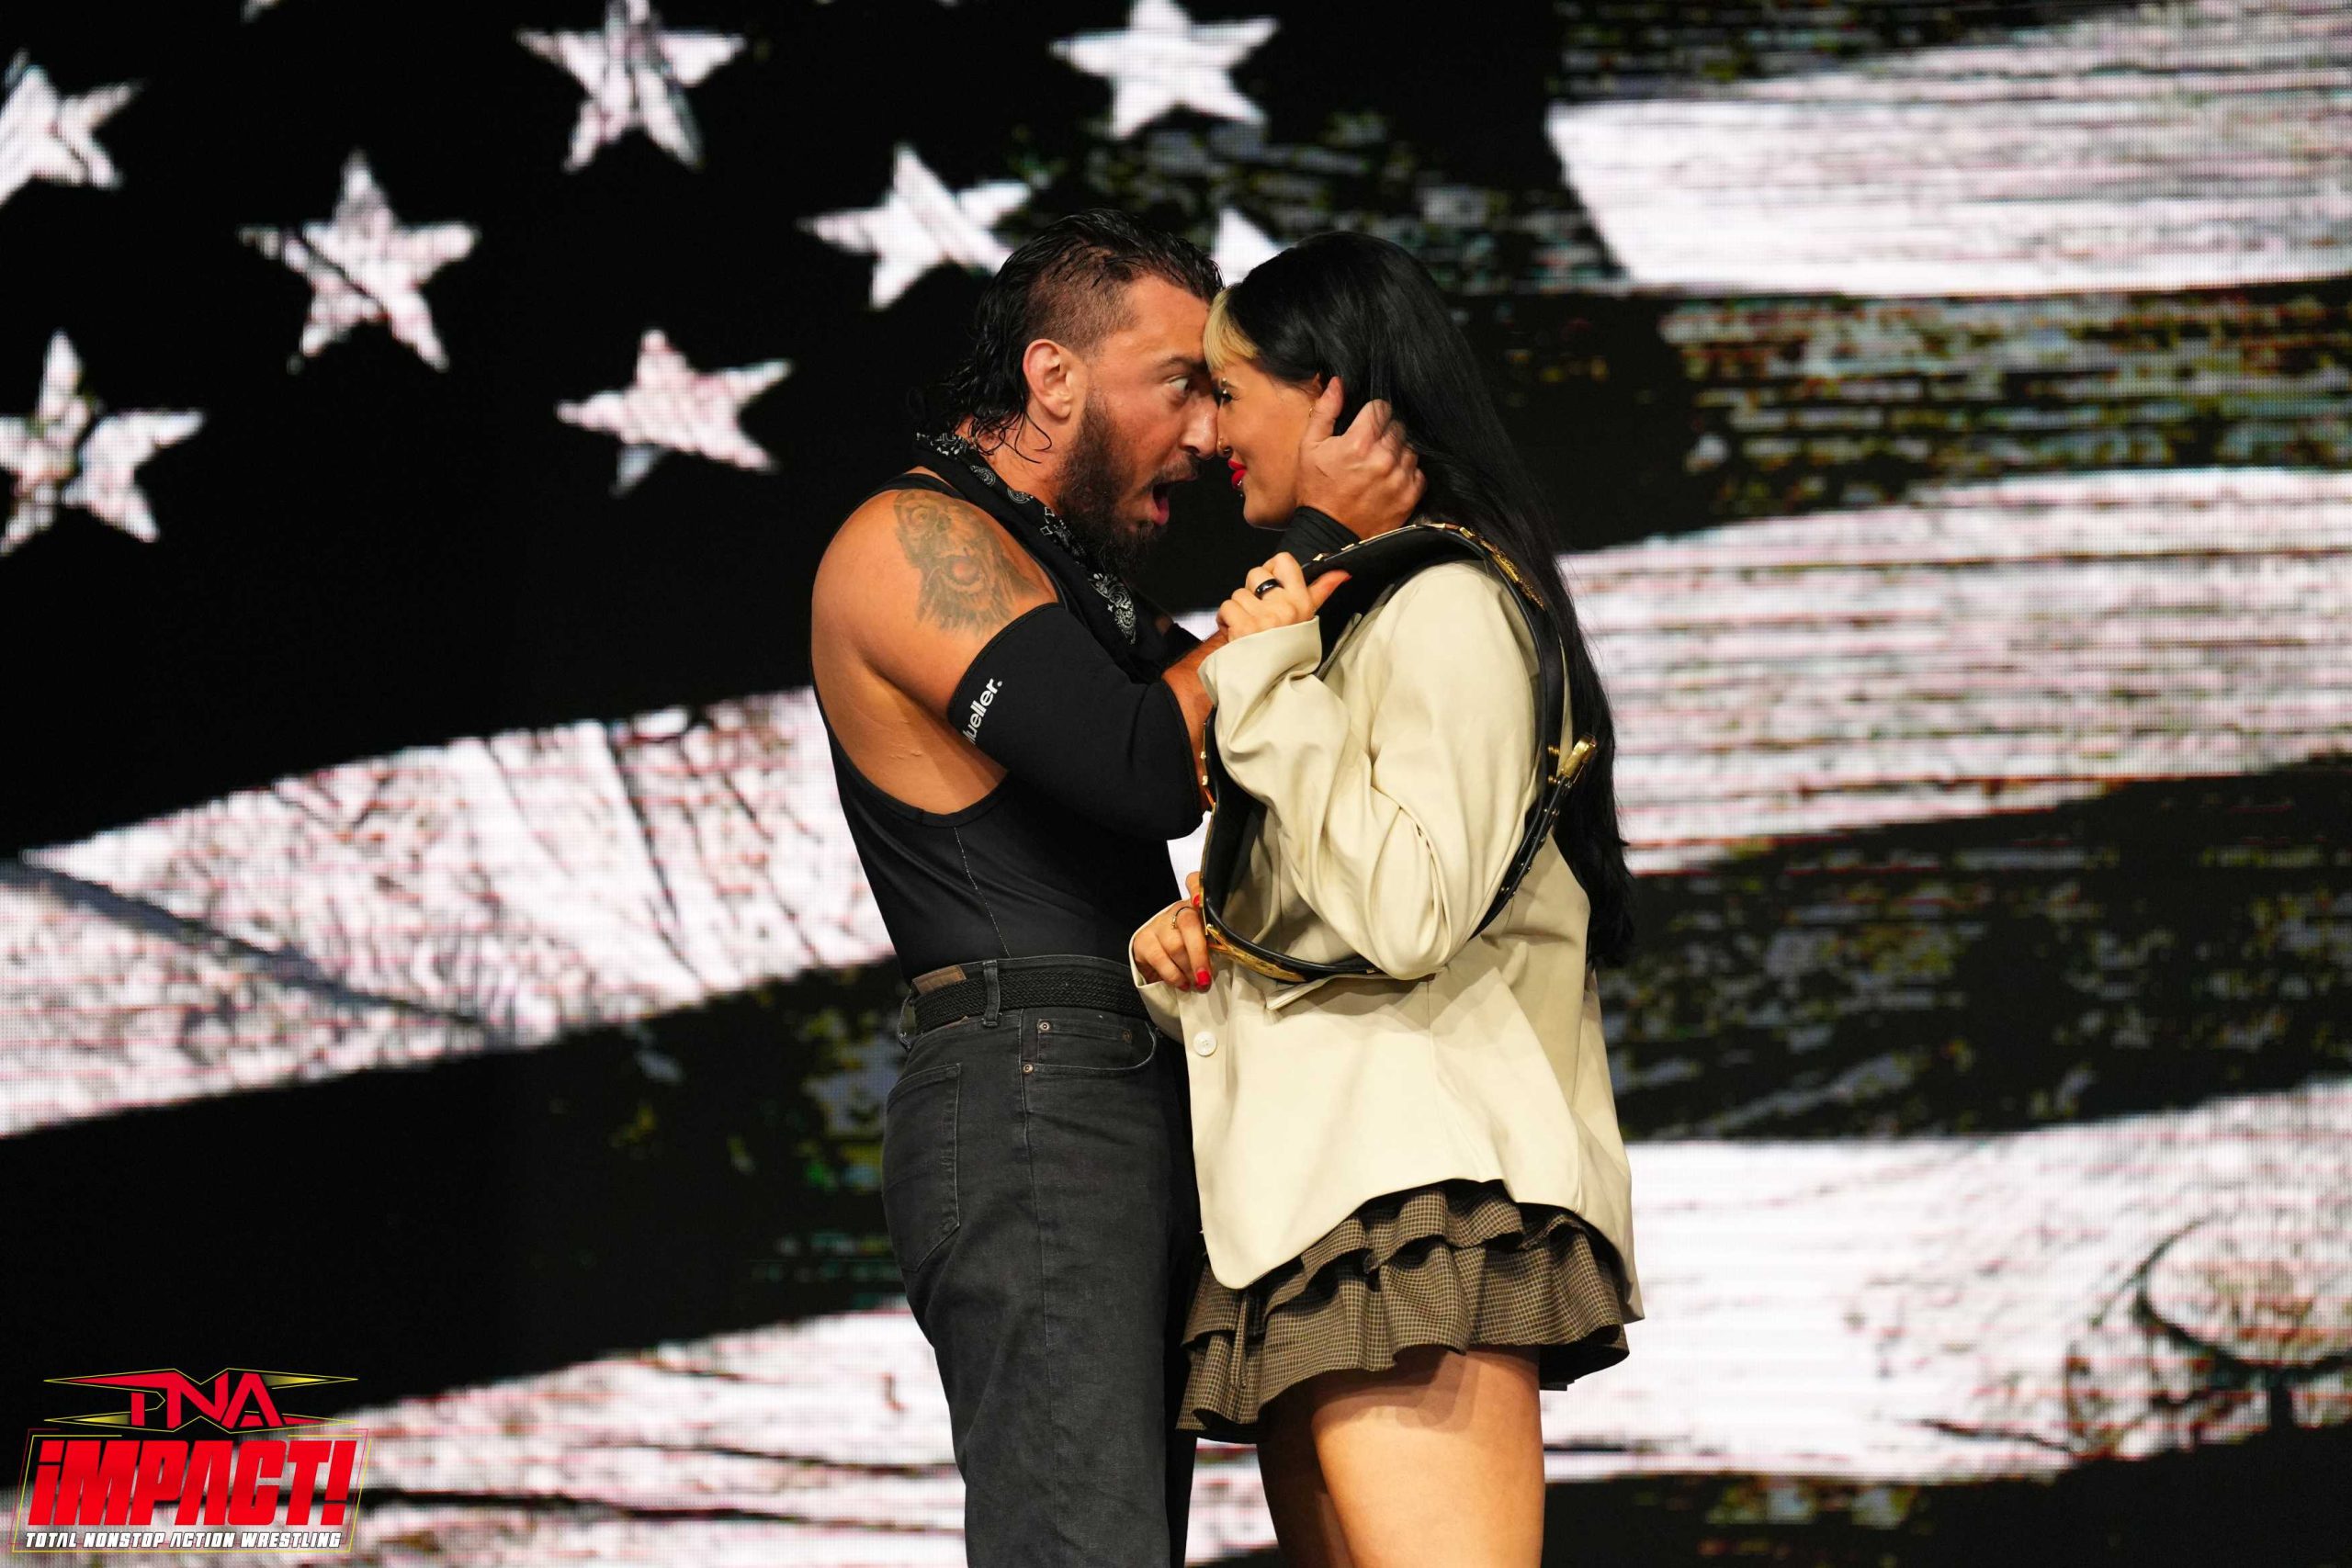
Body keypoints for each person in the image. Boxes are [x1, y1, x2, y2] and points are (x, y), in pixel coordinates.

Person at [807, 210, 1422, 1567]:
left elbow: (1232, 727)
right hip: (1032, 1087)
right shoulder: (909, 539)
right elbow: (1141, 761)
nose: (1207, 434)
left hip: (1110, 1081)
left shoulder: (1058, 568)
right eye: (1183, 383)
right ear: (1054, 377)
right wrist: (1325, 537)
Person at [1126, 231, 1645, 1568]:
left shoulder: (1450, 605)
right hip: (1310, 1203)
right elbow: (1354, 913)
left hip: (1410, 1197)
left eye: (1228, 392)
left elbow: (1409, 913)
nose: (1206, 430)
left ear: (1334, 395)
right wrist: (1205, 945)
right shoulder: (1350, 624)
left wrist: (1264, 676)